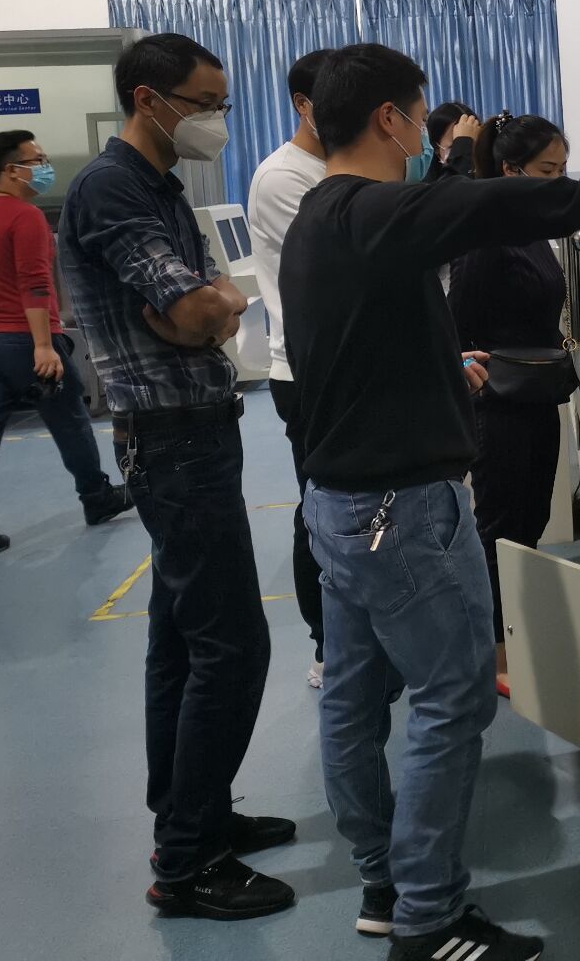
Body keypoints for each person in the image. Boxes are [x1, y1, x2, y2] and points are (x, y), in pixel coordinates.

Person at [282, 44, 580, 958]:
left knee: (352, 700)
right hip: (401, 511)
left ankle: (386, 885)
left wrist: (443, 366)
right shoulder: (373, 209)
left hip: (338, 500)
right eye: (420, 115)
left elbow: (359, 342)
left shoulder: (319, 215)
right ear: (391, 118)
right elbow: (492, 205)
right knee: (449, 701)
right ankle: (429, 920)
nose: (428, 136)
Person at [58, 33, 294, 921]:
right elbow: (197, 306)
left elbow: (210, 307)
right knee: (233, 645)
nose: (216, 120)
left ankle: (192, 813)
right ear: (149, 99)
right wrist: (210, 306)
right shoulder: (112, 188)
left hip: (195, 431)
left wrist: (210, 307)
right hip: (173, 441)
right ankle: (188, 862)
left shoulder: (160, 186)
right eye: (205, 104)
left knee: (182, 642)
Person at [0, 129, 133, 561]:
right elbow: (34, 284)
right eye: (38, 160)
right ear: (11, 170)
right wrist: (44, 346)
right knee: (70, 421)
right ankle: (96, 497)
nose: (46, 167)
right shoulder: (26, 217)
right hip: (25, 342)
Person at [447, 113, 574, 694]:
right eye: (547, 171)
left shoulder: (530, 226)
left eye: (564, 170)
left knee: (531, 517)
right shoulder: (487, 234)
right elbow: (460, 324)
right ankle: (495, 652)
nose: (558, 181)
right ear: (510, 169)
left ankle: (517, 631)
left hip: (537, 395)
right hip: (498, 404)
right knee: (500, 524)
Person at [245, 49, 331, 687]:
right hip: (306, 373)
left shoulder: (337, 166)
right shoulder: (284, 178)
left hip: (346, 365)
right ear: (305, 104)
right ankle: (327, 642)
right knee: (323, 507)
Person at [426, 100, 481, 182]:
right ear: (436, 149)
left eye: (474, 145)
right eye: (456, 145)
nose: (469, 153)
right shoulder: (430, 186)